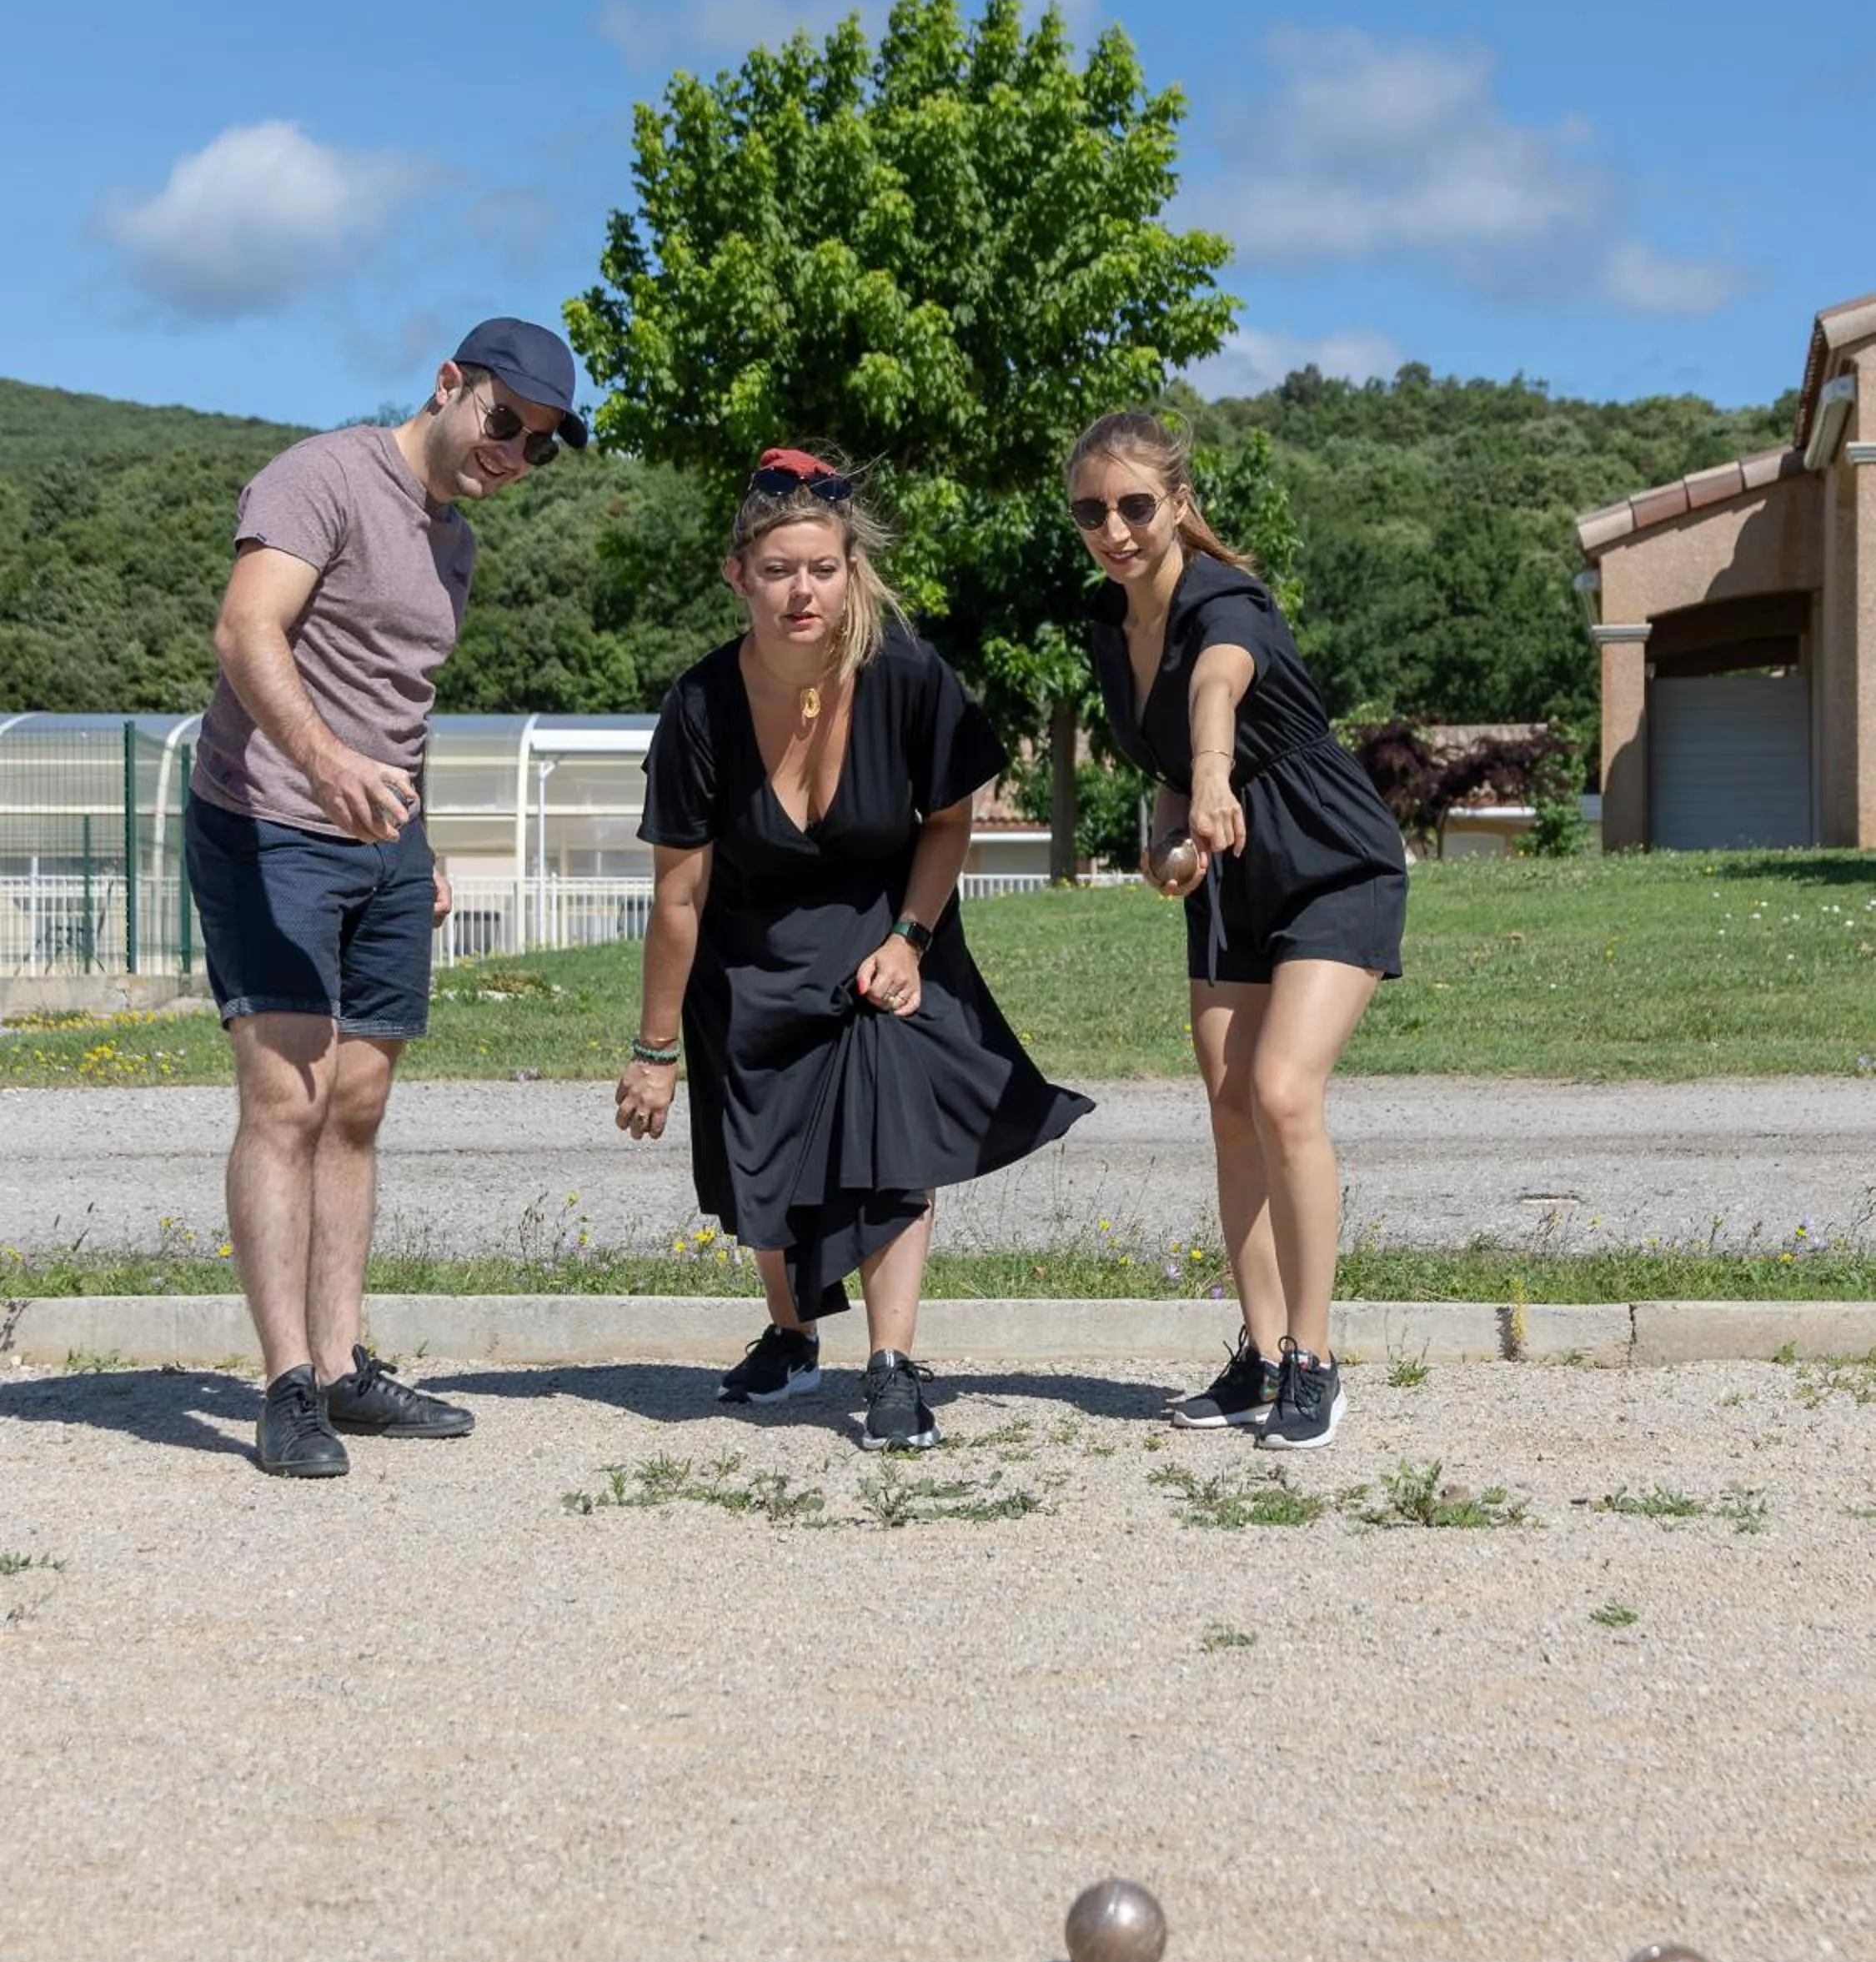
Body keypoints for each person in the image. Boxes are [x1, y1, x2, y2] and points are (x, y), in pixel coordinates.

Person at [614, 448, 1092, 1450]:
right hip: (748, 952)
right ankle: (792, 1338)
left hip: (886, 930)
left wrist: (911, 938)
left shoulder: (911, 676)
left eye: (822, 570)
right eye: (779, 570)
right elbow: (679, 891)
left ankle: (891, 1364)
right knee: (764, 1159)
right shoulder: (699, 706)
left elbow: (950, 823)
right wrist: (655, 1051)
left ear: (852, 570)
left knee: (889, 1143)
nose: (802, 592)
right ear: (737, 575)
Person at [185, 319, 589, 1478]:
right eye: (503, 422)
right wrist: (320, 768)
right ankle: (284, 1386)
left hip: (381, 841)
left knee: (357, 1105)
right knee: (288, 1099)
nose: (511, 454)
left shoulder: (453, 543)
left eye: (539, 447)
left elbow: (395, 707)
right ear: (449, 385)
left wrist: (423, 840)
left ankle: (343, 1361)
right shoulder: (324, 476)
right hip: (268, 818)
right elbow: (243, 628)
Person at [1069, 410, 1407, 1450]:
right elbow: (1168, 768)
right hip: (1231, 879)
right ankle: (1261, 1354)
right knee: (1228, 1108)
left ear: (1177, 503)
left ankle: (1315, 1358)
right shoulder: (1103, 625)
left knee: (1280, 1091)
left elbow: (1217, 687)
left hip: (1331, 862)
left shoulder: (1229, 598)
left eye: (1135, 505)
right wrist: (1170, 836)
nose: (1116, 529)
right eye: (1092, 511)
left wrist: (1214, 773)